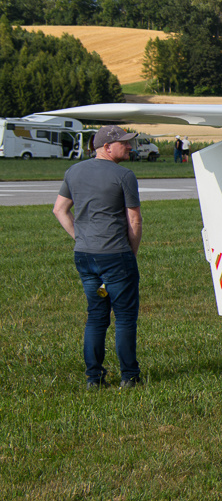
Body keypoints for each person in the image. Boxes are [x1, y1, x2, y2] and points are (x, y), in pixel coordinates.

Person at [53, 124, 143, 389]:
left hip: (84, 255)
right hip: (116, 255)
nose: (129, 147)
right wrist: (131, 253)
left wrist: (80, 238)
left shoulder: (73, 171)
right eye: (125, 143)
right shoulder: (124, 175)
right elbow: (134, 220)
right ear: (106, 147)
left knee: (96, 316)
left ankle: (94, 378)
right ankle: (129, 376)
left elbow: (59, 210)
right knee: (125, 317)